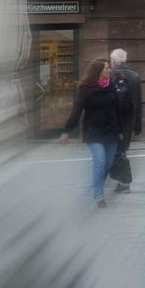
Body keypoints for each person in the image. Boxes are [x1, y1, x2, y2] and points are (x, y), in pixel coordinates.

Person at [61, 58, 120, 208]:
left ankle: (96, 184)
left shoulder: (111, 85)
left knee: (109, 163)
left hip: (111, 130)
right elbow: (77, 110)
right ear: (99, 71)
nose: (109, 70)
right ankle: (99, 195)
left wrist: (120, 130)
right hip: (93, 131)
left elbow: (116, 109)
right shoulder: (85, 88)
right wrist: (67, 131)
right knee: (100, 161)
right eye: (106, 68)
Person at [109, 48, 142, 193]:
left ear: (113, 61)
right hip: (129, 120)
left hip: (112, 119)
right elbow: (139, 102)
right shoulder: (135, 76)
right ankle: (121, 181)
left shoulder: (109, 75)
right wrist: (138, 124)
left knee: (117, 151)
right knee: (120, 150)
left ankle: (123, 182)